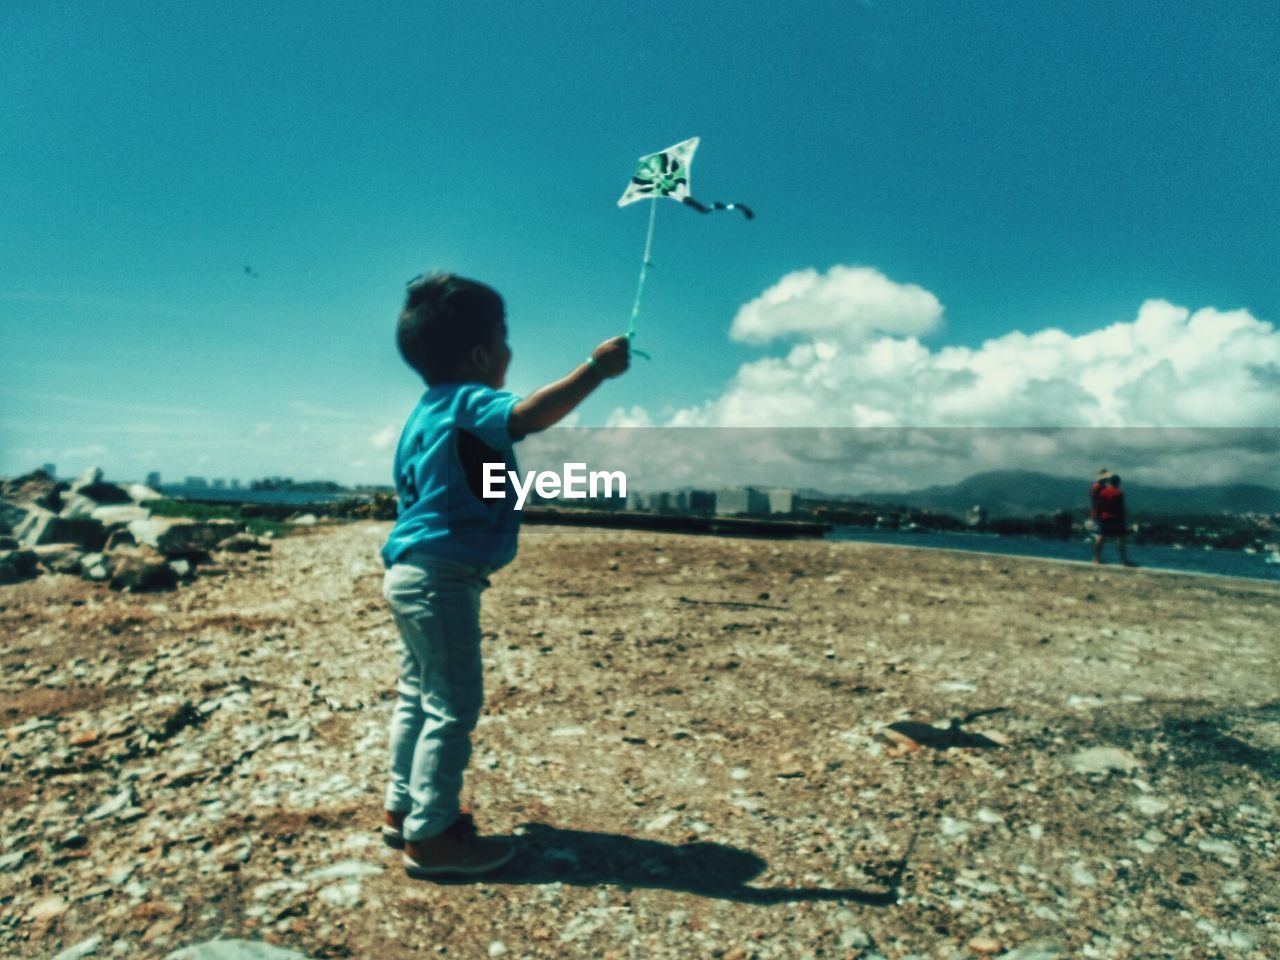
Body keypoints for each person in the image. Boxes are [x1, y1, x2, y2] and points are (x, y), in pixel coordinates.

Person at [379, 273, 630, 877]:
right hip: (442, 578)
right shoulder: (471, 401)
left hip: (411, 572)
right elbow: (531, 414)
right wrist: (595, 370)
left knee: (417, 695)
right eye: (505, 339)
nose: (510, 352)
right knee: (453, 703)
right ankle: (433, 837)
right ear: (481, 354)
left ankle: (402, 809)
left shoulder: (422, 416)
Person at [1091, 470, 1135, 566]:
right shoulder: (1119, 493)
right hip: (1116, 518)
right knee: (1120, 539)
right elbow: (1120, 508)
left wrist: (1098, 515)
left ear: (1110, 482)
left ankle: (1096, 558)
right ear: (1118, 483)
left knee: (1101, 537)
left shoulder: (1103, 492)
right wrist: (1124, 519)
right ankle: (1124, 561)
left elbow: (1099, 505)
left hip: (1104, 517)